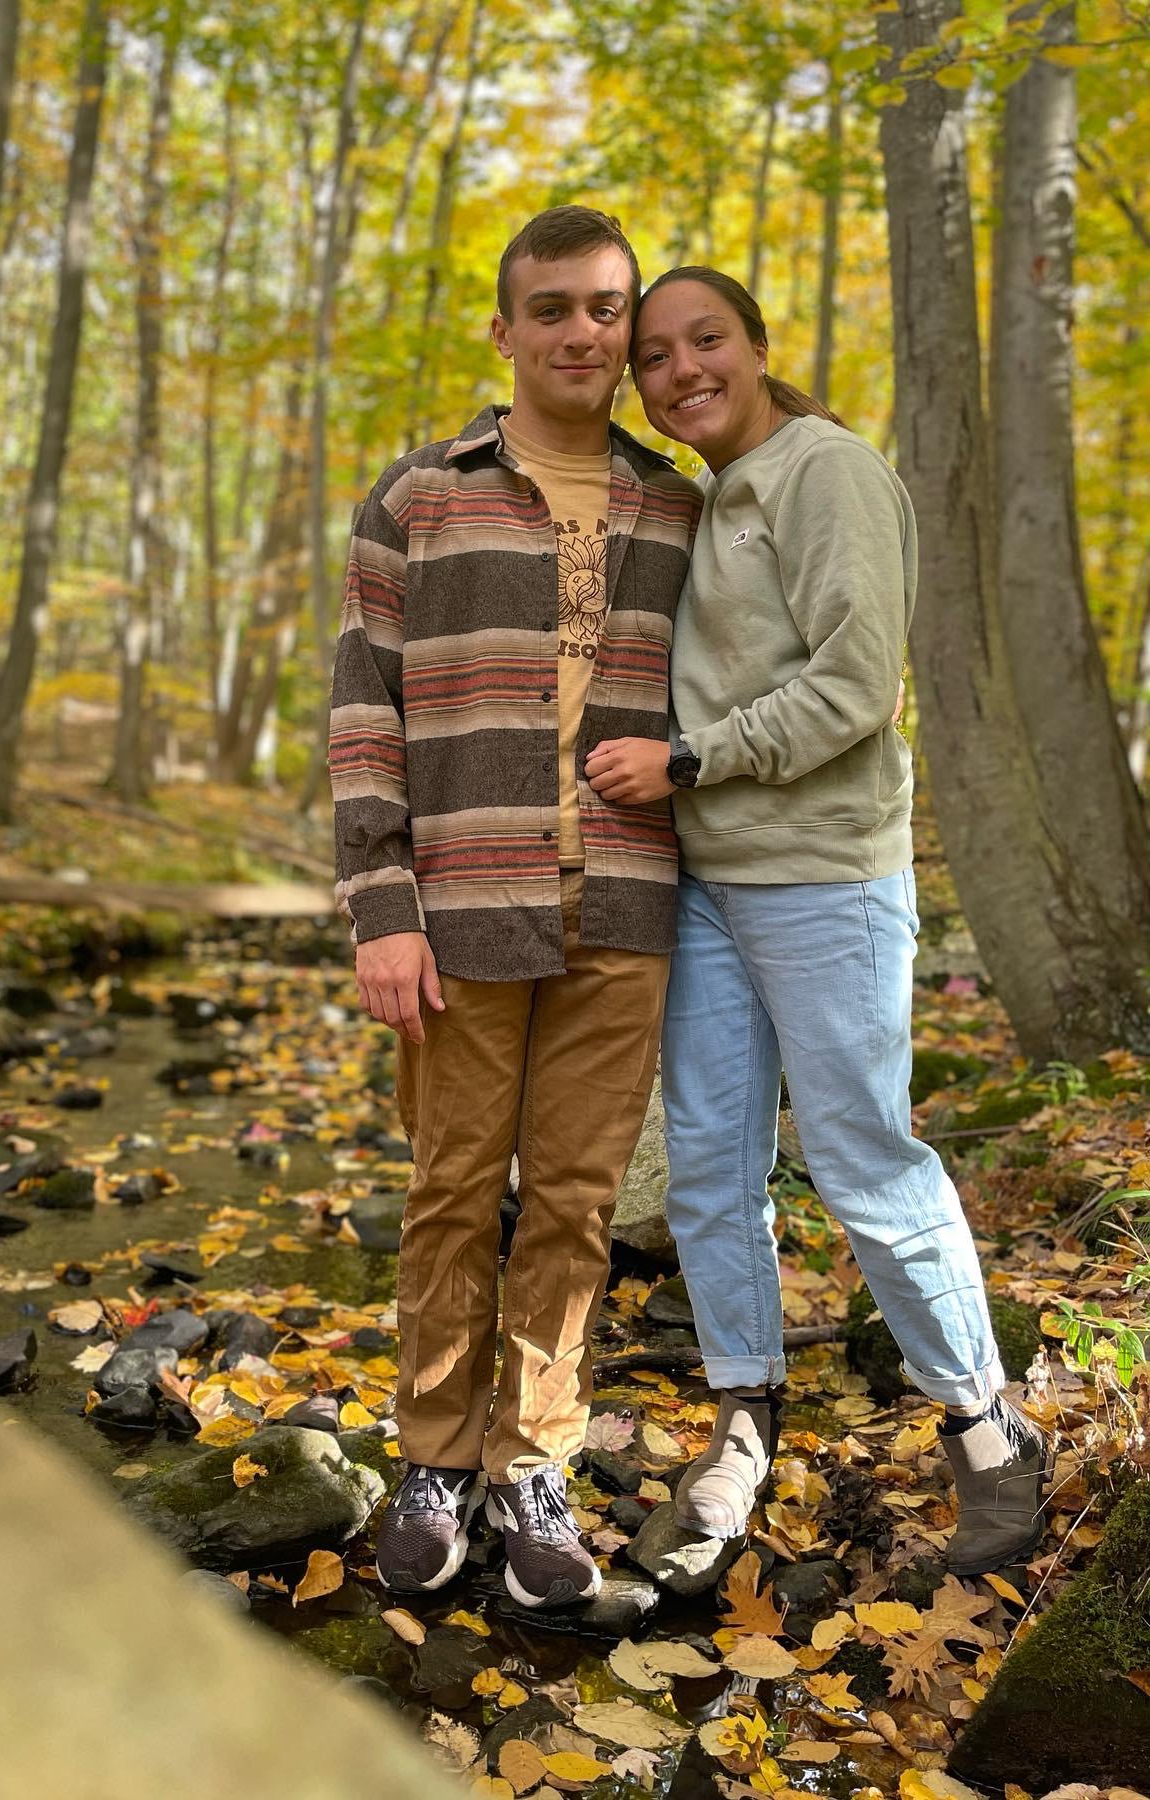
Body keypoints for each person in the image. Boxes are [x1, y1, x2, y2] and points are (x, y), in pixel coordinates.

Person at [584, 266, 1048, 1576]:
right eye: (656, 359)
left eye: (705, 342)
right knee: (714, 1163)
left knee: (860, 1154)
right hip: (709, 884)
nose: (681, 372)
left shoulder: (824, 470)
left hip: (827, 879)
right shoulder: (704, 497)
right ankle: (744, 1416)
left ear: (756, 344)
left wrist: (684, 760)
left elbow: (856, 686)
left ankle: (987, 1428)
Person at [329, 208, 701, 1607]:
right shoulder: (417, 498)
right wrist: (383, 908)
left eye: (607, 309)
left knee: (575, 1208)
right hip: (460, 907)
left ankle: (530, 1466)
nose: (583, 334)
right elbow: (363, 711)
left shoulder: (678, 505)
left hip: (625, 906)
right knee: (448, 1192)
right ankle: (431, 1454)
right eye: (553, 308)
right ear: (504, 329)